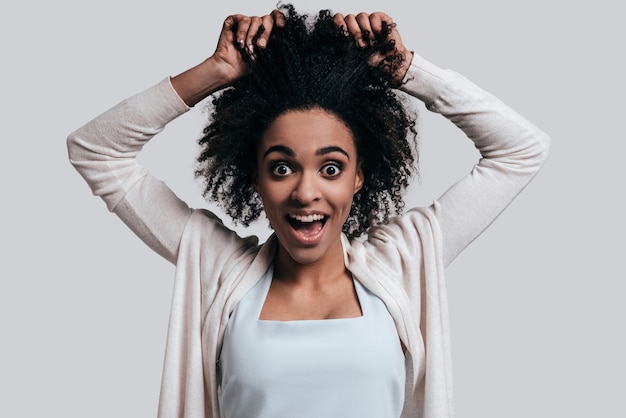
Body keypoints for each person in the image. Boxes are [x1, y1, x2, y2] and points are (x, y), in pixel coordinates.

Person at [67, 4, 549, 418]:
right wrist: (216, 71)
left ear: (361, 175)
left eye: (331, 168)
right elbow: (94, 150)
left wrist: (407, 70)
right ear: (254, 177)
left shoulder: (404, 263)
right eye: (281, 168)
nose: (305, 192)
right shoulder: (220, 270)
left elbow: (522, 149)